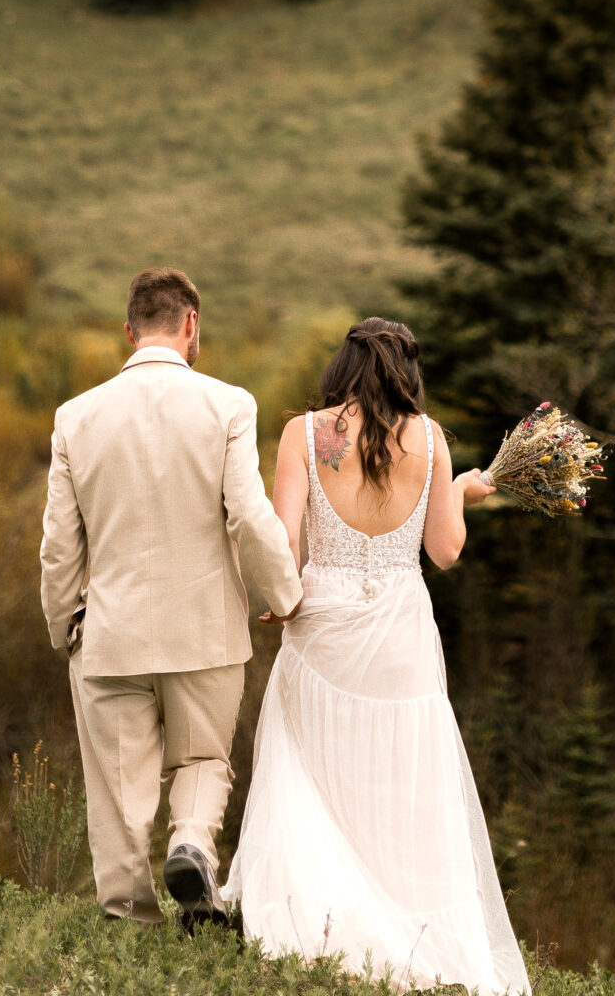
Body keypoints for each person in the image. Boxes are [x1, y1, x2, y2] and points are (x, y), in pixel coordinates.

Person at [228, 316, 530, 995]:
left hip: (324, 626)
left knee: (312, 768)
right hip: (399, 632)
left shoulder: (305, 434)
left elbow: (284, 544)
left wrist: (280, 600)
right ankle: (407, 930)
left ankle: (316, 920)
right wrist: (462, 491)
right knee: (400, 780)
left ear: (343, 368)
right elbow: (445, 553)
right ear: (407, 374)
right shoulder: (430, 440)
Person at [39, 266, 303, 929]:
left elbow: (58, 545)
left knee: (119, 794)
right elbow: (247, 512)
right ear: (191, 325)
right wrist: (283, 594)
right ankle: (190, 843)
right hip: (205, 630)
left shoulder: (76, 417)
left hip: (110, 634)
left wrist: (63, 624)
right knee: (204, 759)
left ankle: (130, 922)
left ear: (129, 331)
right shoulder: (229, 404)